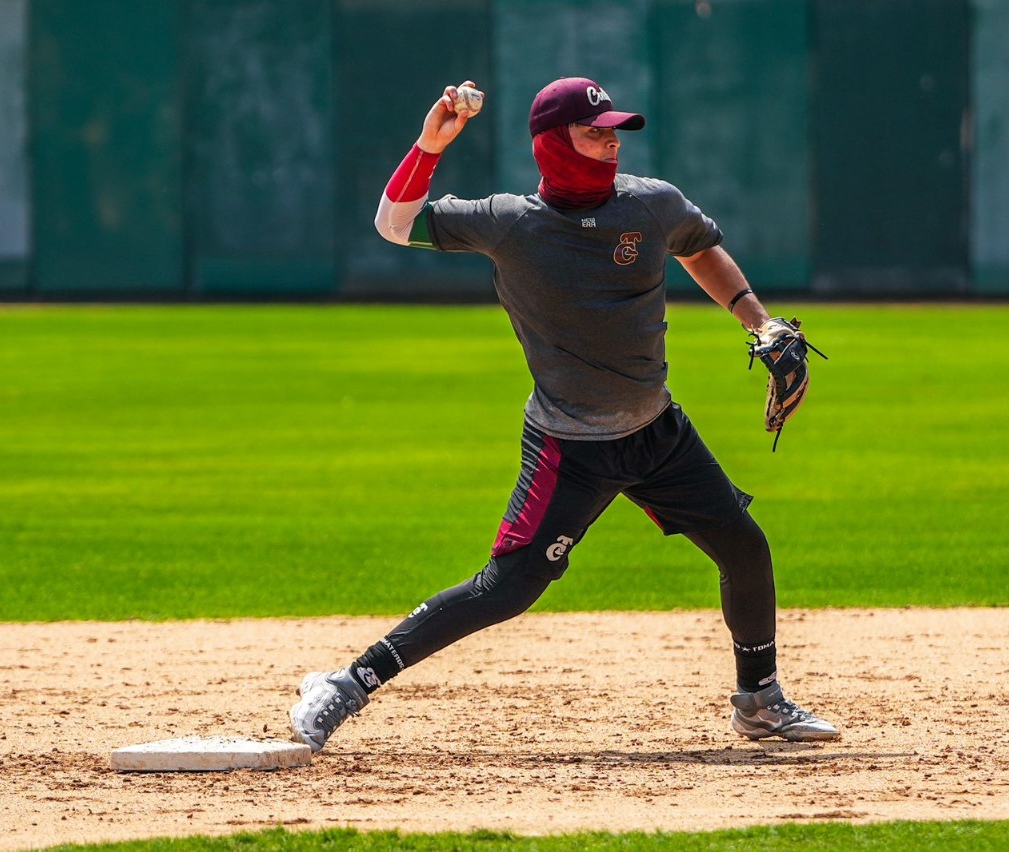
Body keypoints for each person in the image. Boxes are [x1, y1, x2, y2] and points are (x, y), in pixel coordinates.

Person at [289, 77, 838, 751]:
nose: (611, 140)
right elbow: (393, 225)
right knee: (508, 589)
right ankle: (345, 684)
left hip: (656, 430)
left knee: (744, 547)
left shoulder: (651, 204)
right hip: (568, 446)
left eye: (614, 129)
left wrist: (757, 321)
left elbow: (697, 245)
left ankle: (760, 700)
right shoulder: (509, 222)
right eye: (594, 129)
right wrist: (430, 146)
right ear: (553, 143)